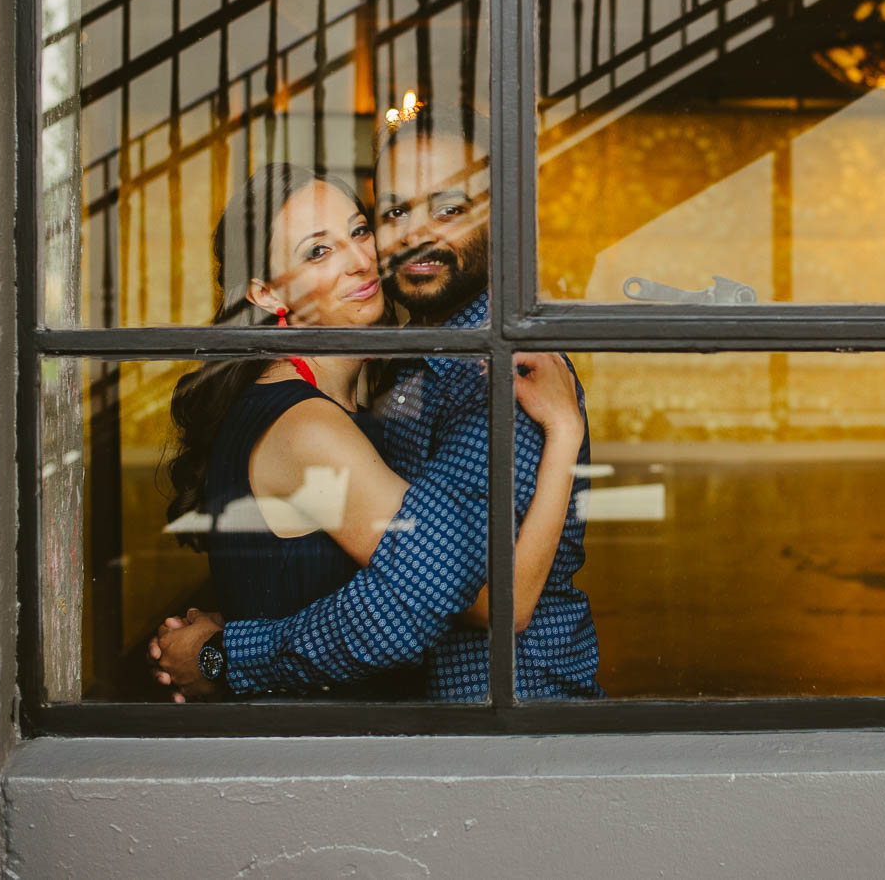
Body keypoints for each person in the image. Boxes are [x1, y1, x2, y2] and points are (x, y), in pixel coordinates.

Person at [152, 109, 603, 701]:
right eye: (392, 214)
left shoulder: (502, 372)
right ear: (265, 292)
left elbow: (490, 601)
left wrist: (227, 654)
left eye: (448, 209)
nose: (407, 237)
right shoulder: (383, 379)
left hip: (512, 712)